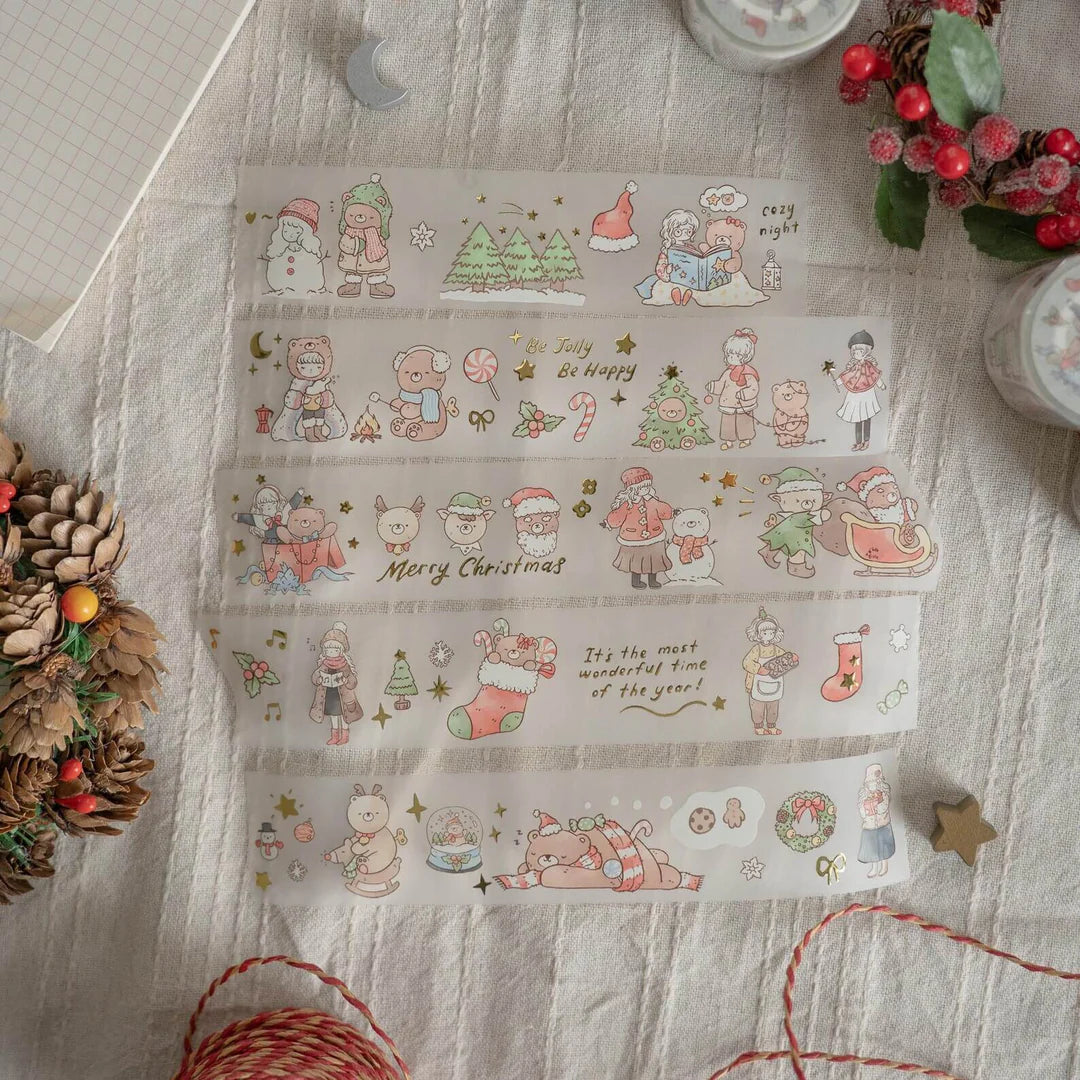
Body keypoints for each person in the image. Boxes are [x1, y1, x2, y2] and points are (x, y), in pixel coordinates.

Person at [602, 466, 674, 590]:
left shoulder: (652, 501)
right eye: (641, 487)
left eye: (647, 486)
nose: (645, 489)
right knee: (635, 562)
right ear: (633, 489)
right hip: (633, 538)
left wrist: (672, 512)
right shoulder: (628, 504)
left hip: (654, 536)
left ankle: (653, 581)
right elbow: (618, 515)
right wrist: (609, 522)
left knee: (654, 561)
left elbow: (663, 510)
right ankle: (636, 582)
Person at [741, 607, 796, 736]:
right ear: (758, 634)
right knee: (758, 707)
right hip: (757, 684)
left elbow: (785, 658)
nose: (769, 636)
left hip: (774, 684)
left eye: (772, 632)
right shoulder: (756, 649)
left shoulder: (776, 649)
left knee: (773, 707)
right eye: (765, 633)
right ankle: (758, 726)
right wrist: (758, 669)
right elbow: (746, 662)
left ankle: (772, 726)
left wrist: (791, 657)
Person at [704, 328, 760, 449]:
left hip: (743, 404)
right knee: (727, 423)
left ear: (746, 356)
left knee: (744, 421)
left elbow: (753, 388)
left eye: (737, 355)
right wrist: (713, 386)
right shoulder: (727, 372)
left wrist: (745, 394)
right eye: (730, 354)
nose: (732, 357)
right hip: (728, 403)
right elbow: (721, 384)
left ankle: (746, 439)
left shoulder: (749, 373)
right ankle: (728, 441)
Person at [309, 621, 362, 746]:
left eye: (334, 649)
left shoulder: (345, 665)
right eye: (328, 649)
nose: (331, 652)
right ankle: (335, 736)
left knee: (344, 716)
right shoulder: (324, 664)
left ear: (341, 650)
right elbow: (315, 676)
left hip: (343, 696)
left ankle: (345, 736)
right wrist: (319, 679)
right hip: (329, 694)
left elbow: (353, 681)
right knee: (333, 715)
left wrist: (346, 681)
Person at [834, 330, 886, 451]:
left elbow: (875, 376)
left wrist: (881, 385)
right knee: (857, 418)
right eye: (855, 351)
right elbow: (848, 375)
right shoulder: (854, 366)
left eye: (860, 351)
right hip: (855, 396)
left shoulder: (869, 365)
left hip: (867, 395)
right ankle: (858, 442)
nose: (857, 353)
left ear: (866, 351)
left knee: (867, 418)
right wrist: (838, 382)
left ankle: (866, 441)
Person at [857, 763, 895, 878]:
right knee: (872, 847)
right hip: (869, 826)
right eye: (870, 783)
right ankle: (874, 868)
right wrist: (865, 809)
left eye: (875, 783)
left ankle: (884, 865)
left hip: (883, 824)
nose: (872, 786)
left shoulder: (883, 794)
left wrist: (877, 803)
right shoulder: (864, 796)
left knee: (884, 846)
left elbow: (884, 807)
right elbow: (862, 810)